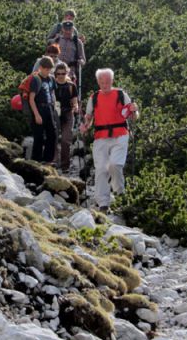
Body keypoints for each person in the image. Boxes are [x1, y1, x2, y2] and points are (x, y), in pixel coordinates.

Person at [79, 68, 138, 212]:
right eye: (101, 82)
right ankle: (103, 203)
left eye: (107, 81)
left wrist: (135, 110)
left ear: (112, 81)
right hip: (101, 137)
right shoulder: (94, 98)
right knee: (100, 170)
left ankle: (120, 194)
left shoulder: (121, 94)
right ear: (98, 81)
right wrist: (85, 126)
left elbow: (133, 115)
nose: (104, 84)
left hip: (120, 134)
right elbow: (89, 117)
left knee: (115, 165)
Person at [29, 56, 57, 163]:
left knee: (52, 134)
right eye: (46, 69)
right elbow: (31, 99)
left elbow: (52, 93)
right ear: (40, 67)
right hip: (38, 108)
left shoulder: (51, 79)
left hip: (49, 108)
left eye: (50, 69)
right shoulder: (36, 79)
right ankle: (36, 160)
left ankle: (47, 160)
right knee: (39, 136)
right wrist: (36, 115)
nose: (48, 71)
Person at [53, 62, 79, 172]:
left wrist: (76, 107)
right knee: (53, 138)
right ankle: (54, 162)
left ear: (66, 73)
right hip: (54, 113)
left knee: (65, 140)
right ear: (55, 73)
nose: (60, 75)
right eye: (58, 73)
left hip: (68, 113)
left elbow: (75, 101)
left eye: (63, 73)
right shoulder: (52, 84)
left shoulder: (71, 86)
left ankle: (65, 166)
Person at [56, 20, 85, 86]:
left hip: (69, 72)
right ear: (63, 29)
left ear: (72, 29)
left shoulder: (78, 42)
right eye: (66, 29)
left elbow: (83, 60)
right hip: (56, 71)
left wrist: (80, 62)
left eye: (69, 29)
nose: (68, 31)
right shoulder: (57, 39)